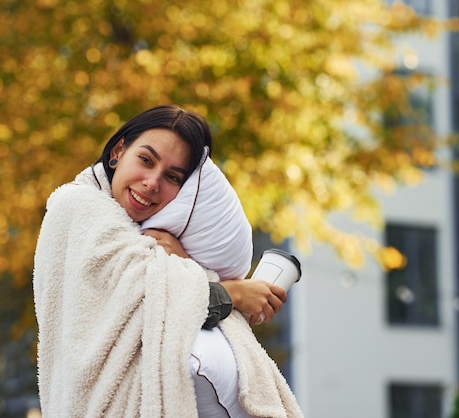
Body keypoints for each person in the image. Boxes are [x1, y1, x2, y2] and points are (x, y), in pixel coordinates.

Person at [33, 105, 303, 417]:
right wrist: (235, 293)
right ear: (118, 151)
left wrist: (181, 261)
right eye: (146, 160)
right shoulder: (78, 205)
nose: (152, 182)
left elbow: (162, 293)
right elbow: (150, 302)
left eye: (172, 177)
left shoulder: (151, 238)